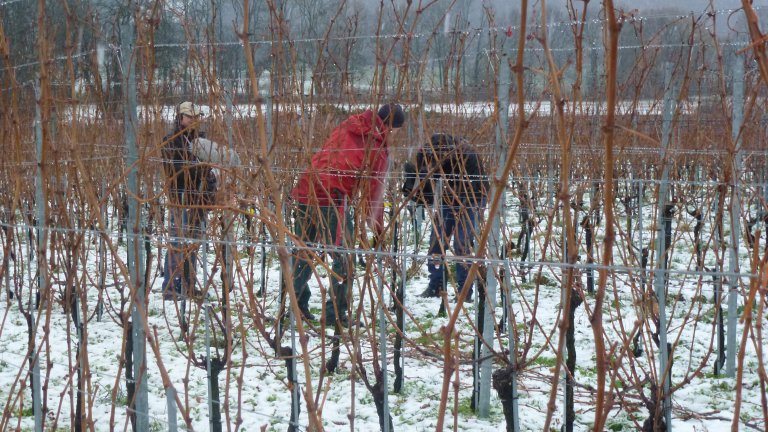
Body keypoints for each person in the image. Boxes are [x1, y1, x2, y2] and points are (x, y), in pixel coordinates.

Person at [290, 103, 405, 325]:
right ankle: (334, 314)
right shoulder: (378, 147)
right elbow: (375, 196)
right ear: (392, 128)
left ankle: (296, 306)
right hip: (333, 196)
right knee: (345, 256)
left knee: (304, 250)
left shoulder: (348, 125)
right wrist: (378, 230)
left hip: (306, 187)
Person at [408, 133, 488, 301]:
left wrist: (462, 207)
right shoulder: (433, 153)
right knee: (436, 239)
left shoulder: (466, 154)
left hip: (474, 196)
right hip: (450, 196)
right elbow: (426, 174)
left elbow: (474, 186)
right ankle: (436, 286)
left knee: (462, 244)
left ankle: (464, 292)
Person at [160, 101, 217, 300]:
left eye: (196, 117)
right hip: (180, 198)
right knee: (178, 241)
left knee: (193, 242)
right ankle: (171, 286)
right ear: (180, 117)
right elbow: (176, 171)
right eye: (189, 117)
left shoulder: (201, 141)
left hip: (198, 198)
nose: (194, 121)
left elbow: (207, 167)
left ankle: (188, 284)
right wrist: (200, 168)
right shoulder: (171, 141)